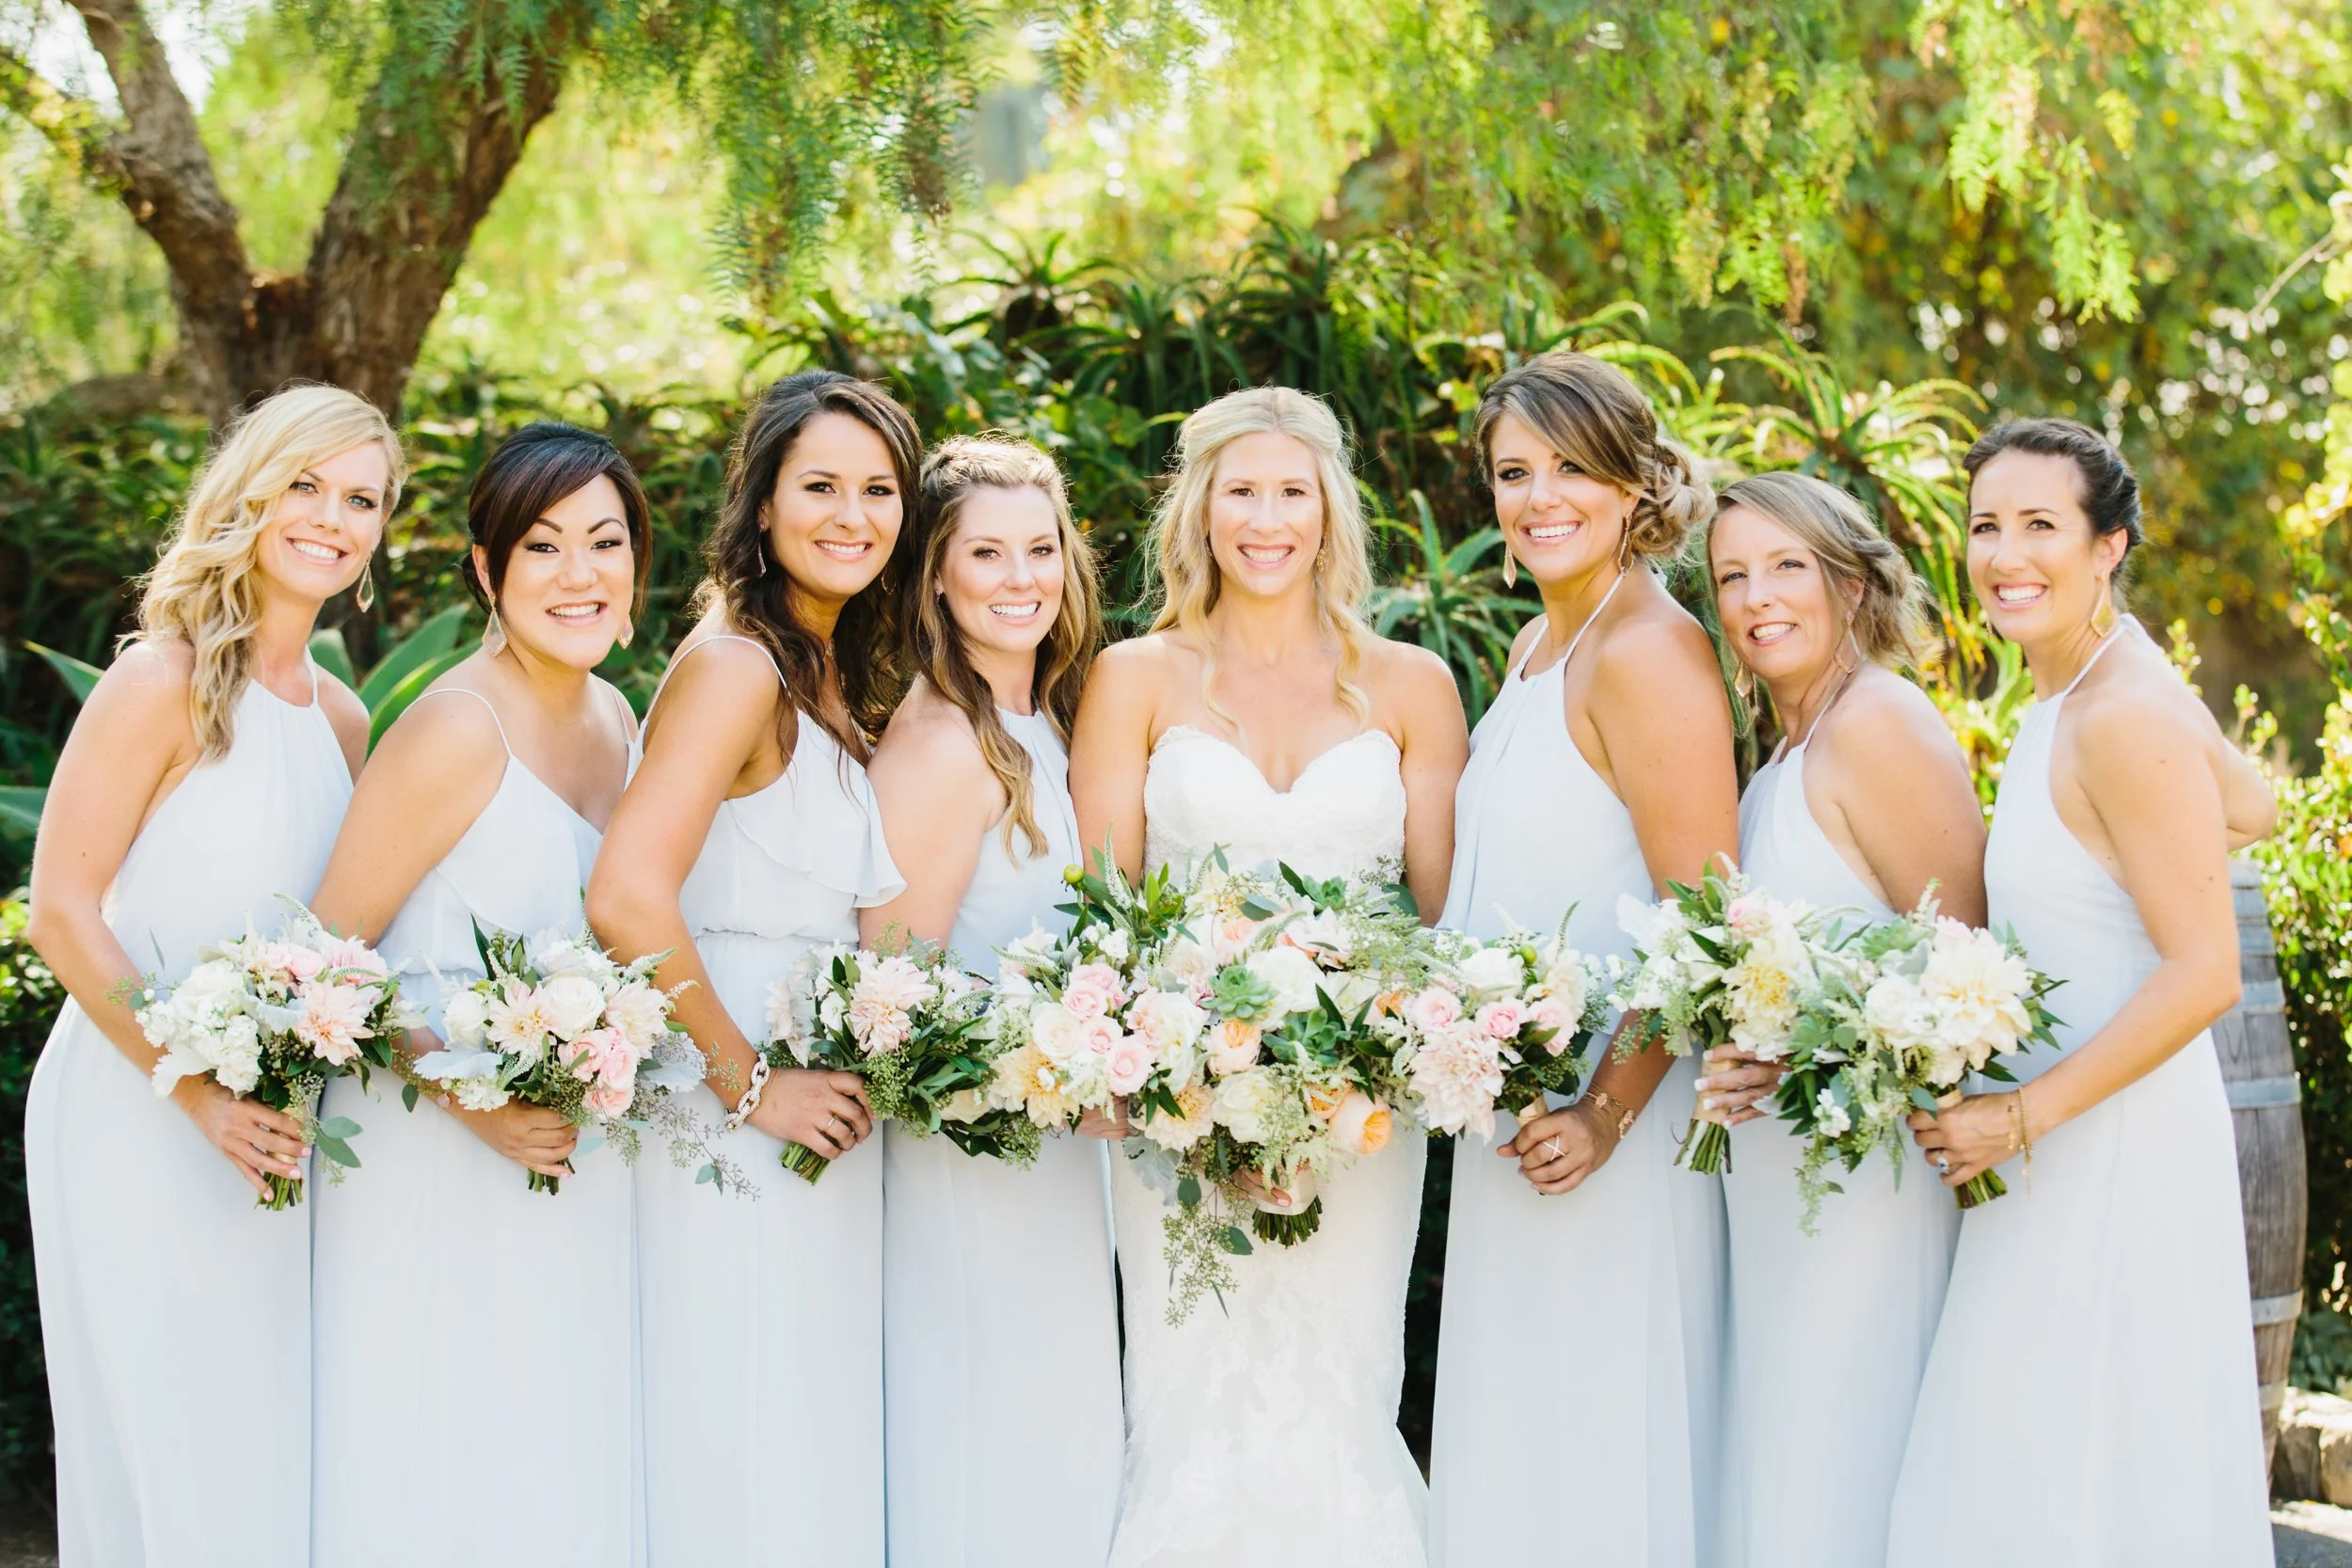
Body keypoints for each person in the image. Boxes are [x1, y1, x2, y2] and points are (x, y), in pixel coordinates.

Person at [1068, 385, 1468, 1568]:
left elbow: (1437, 919)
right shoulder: (1132, 677)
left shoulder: (1413, 683)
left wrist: (1363, 1055)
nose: (1265, 517)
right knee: (1193, 1393)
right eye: (1240, 490)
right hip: (1174, 1105)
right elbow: (1105, 912)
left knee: (1341, 1391)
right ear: (1198, 509)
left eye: (1290, 491)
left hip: (1363, 1115)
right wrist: (1176, 1076)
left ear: (1328, 508)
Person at [24, 384, 402, 1567]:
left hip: (280, 1117)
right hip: (139, 1107)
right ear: (249, 488)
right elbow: (61, 912)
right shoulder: (161, 681)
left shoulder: (343, 720)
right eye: (306, 484)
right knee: (172, 1434)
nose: (331, 519)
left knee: (264, 1428)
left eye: (362, 500)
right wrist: (194, 1091)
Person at [1888, 419, 2276, 1565]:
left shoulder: (2121, 715)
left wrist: (2019, 1114)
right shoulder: (2082, 693)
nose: (2005, 553)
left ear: (2108, 545)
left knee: (2077, 1461)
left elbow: (2206, 971)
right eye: (1984, 526)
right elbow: (2249, 804)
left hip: (2106, 1145)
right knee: (2036, 1458)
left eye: (2040, 526)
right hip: (2059, 1139)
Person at [588, 370, 916, 1565]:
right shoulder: (736, 667)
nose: (852, 513)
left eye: (879, 489)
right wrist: (747, 1083)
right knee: (736, 1432)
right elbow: (625, 892)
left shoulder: (824, 673)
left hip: (805, 1121)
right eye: (818, 484)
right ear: (763, 506)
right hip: (729, 1115)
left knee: (795, 1431)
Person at [306, 422, 649, 1566]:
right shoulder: (457, 724)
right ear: (489, 570)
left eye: (605, 542)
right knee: (444, 1444)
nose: (579, 573)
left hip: (569, 1142)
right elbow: (328, 961)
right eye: (542, 547)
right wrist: (471, 1098)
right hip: (434, 1150)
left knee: (555, 1442)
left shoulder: (620, 720)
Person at [1425, 349, 1734, 1568]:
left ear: (1631, 483)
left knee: (1606, 1441)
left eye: (1571, 467)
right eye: (1514, 472)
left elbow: (1704, 919)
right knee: (1535, 1441)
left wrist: (1604, 1109)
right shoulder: (1535, 651)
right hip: (1522, 1118)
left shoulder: (1647, 649)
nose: (1540, 495)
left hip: (1614, 1128)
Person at [1695, 470, 1983, 1568]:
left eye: (1785, 566)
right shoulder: (1780, 753)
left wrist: (1793, 1055)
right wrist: (1740, 1047)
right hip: (1783, 1179)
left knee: (1844, 1450)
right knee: (1789, 1448)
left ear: (1852, 580)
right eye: (1732, 574)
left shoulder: (1880, 728)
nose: (1756, 596)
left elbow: (1967, 986)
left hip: (1870, 1181)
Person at [863, 433, 1122, 1567]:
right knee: (988, 1433)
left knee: (1059, 1439)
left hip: (1065, 1156)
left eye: (1040, 549)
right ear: (935, 576)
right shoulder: (935, 743)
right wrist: (1044, 1072)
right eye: (987, 555)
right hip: (976, 1168)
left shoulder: (1052, 729)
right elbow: (888, 1007)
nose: (1021, 579)